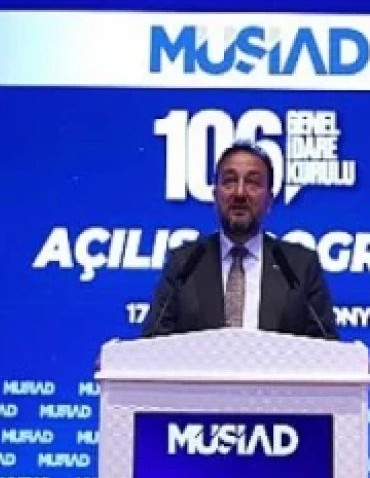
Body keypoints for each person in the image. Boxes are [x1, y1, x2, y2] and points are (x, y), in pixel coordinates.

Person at [141, 140, 339, 340]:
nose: (240, 193)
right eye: (229, 181)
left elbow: (326, 345)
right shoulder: (184, 264)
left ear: (269, 200)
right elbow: (153, 343)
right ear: (215, 195)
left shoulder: (299, 266)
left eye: (253, 182)